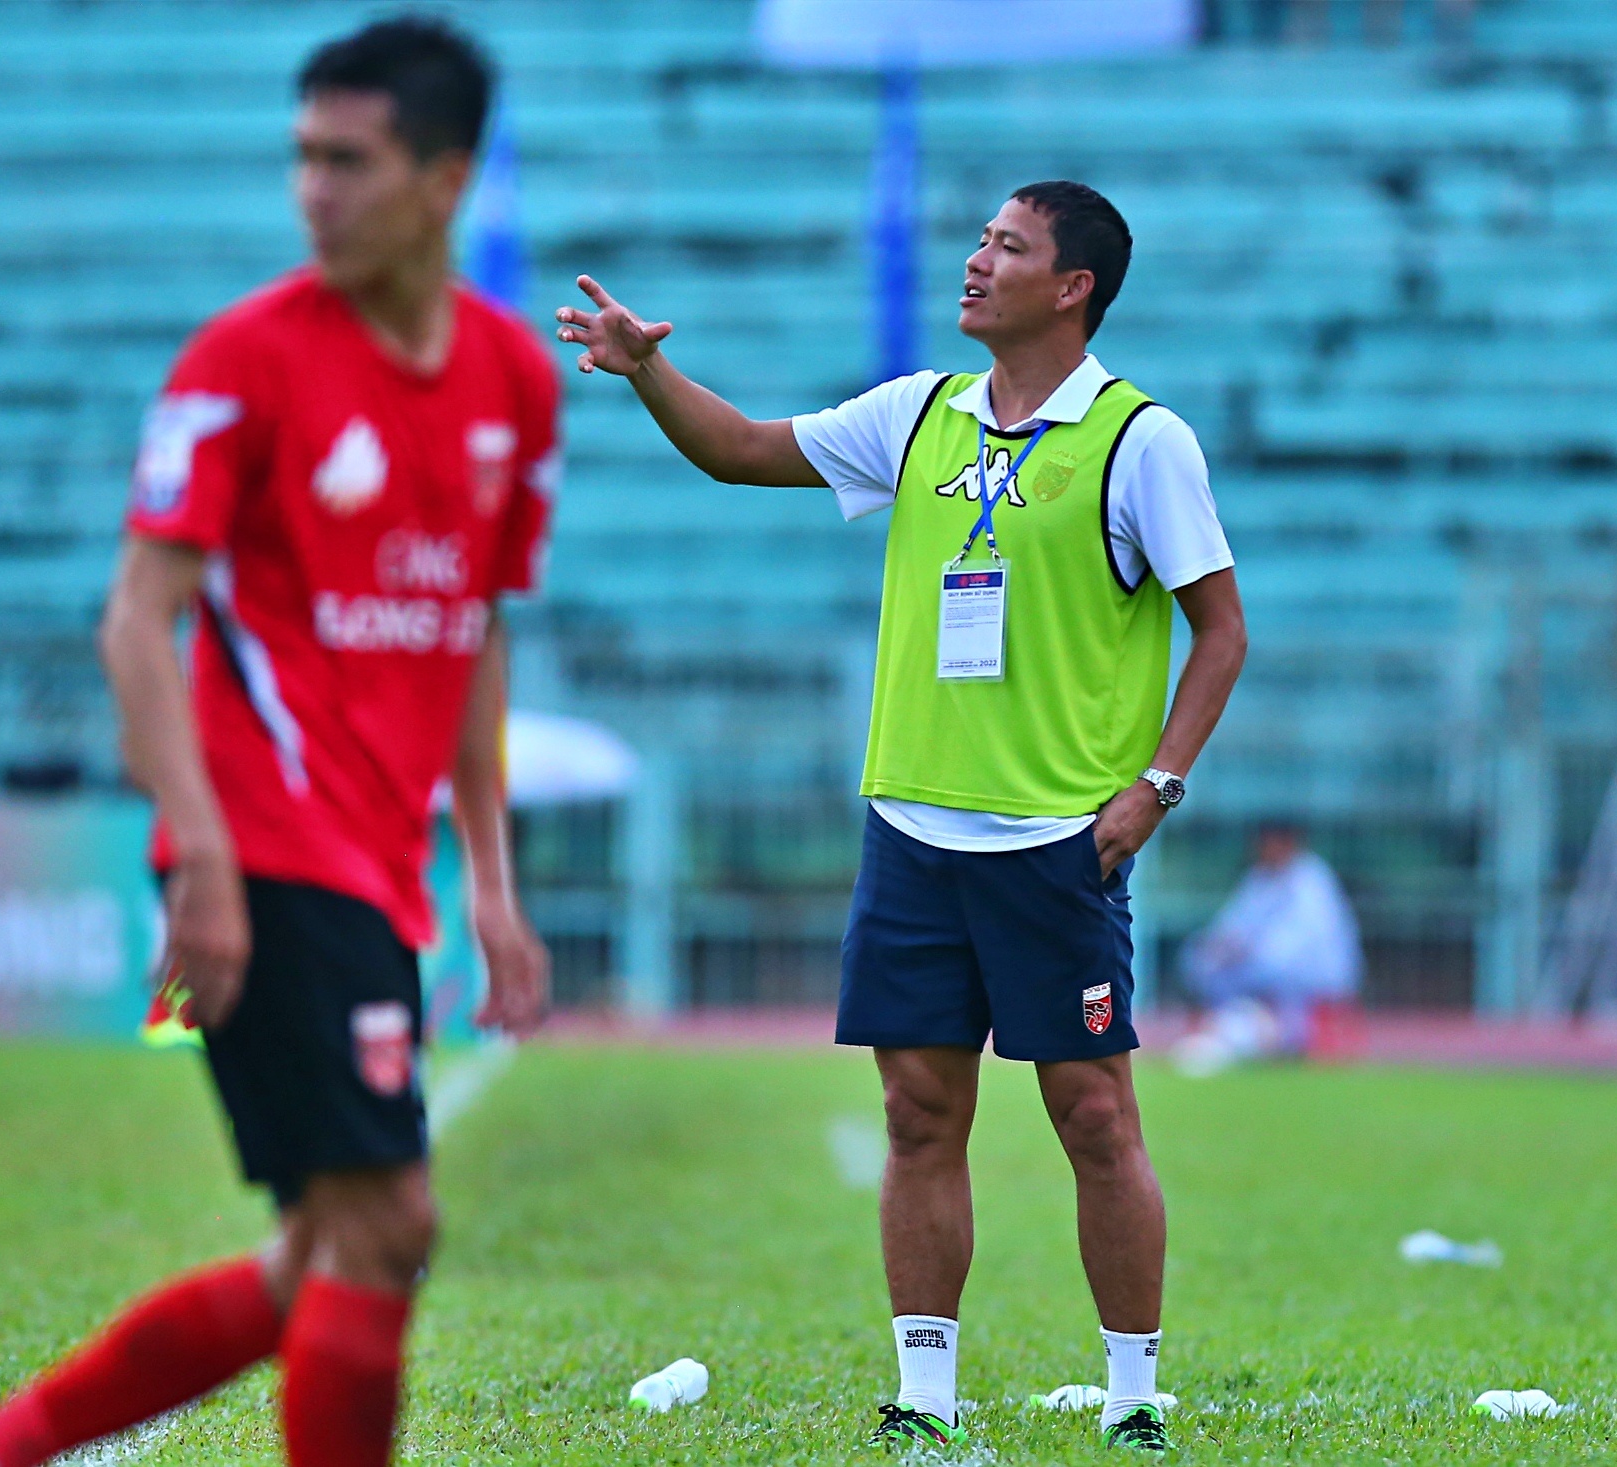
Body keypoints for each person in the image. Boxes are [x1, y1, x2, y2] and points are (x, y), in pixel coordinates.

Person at [0, 16, 555, 1467]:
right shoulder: (242, 359)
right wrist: (201, 861)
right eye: (302, 157)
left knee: (326, 1245)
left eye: (347, 161)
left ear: (445, 179)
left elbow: (475, 636)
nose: (313, 190)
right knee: (389, 1218)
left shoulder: (514, 379)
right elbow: (136, 621)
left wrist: (488, 878)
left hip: (383, 863)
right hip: (266, 847)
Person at [554, 181, 1246, 1454]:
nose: (975, 261)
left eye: (1006, 247)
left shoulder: (1142, 441)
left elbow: (1220, 630)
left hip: (1056, 841)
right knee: (917, 1113)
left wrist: (1152, 789)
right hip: (912, 833)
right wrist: (649, 375)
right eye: (979, 239)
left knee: (1093, 1117)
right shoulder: (919, 411)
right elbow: (744, 450)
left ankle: (1136, 1395)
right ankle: (923, 1398)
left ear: (1073, 284)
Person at [1178, 822, 1362, 1062]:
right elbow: (1232, 925)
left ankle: (1287, 1038)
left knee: (1266, 971)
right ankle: (1228, 1029)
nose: (1264, 850)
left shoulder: (1311, 879)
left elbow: (1302, 939)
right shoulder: (1259, 877)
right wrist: (1219, 947)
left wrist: (1249, 952)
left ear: (1288, 844)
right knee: (1202, 960)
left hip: (1312, 972)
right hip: (1263, 965)